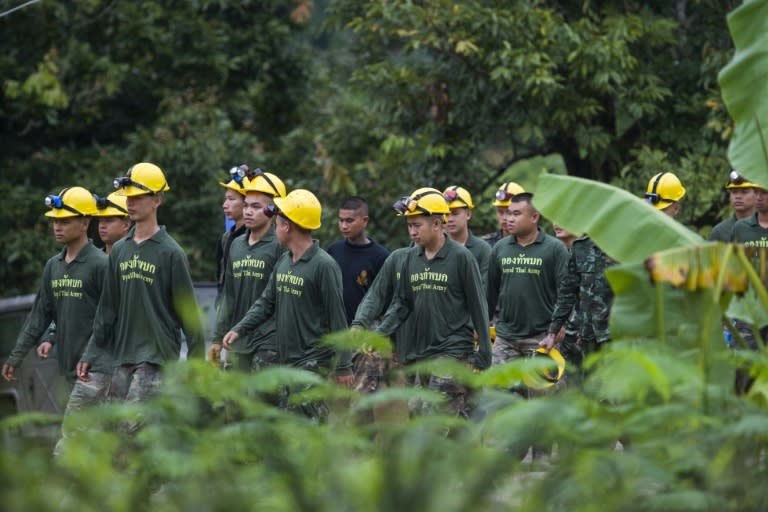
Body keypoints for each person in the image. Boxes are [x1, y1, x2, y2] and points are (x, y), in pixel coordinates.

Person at [79, 163, 204, 414]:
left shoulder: (171, 253)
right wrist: (89, 354)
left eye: (138, 197)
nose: (131, 203)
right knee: (123, 439)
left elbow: (189, 315)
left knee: (131, 428)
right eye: (128, 198)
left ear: (157, 200)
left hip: (156, 358)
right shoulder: (120, 250)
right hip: (123, 357)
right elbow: (107, 310)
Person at [222, 189, 353, 418]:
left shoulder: (323, 265)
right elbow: (266, 302)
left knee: (307, 431)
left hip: (313, 363)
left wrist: (343, 366)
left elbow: (337, 318)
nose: (275, 227)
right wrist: (239, 328)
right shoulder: (284, 260)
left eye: (278, 222)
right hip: (286, 361)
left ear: (286, 226)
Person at [374, 188, 492, 417]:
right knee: (422, 416)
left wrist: (484, 352)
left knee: (433, 420)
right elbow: (402, 304)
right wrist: (380, 334)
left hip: (453, 350)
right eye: (409, 226)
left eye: (417, 225)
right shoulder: (411, 258)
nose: (412, 232)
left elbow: (478, 305)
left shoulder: (461, 257)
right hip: (423, 352)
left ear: (437, 224)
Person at [2, 187, 106, 390]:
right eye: (55, 221)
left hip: (98, 370)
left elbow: (110, 318)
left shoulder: (101, 264)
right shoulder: (53, 266)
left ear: (85, 223)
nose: (57, 227)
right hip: (68, 370)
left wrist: (90, 356)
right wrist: (16, 356)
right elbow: (39, 316)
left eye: (65, 221)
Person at [487, 193, 569, 393]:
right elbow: (490, 291)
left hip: (542, 339)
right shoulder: (499, 248)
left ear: (534, 217)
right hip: (505, 336)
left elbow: (566, 293)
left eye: (516, 214)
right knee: (496, 399)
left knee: (542, 406)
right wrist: (482, 325)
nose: (509, 219)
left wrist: (558, 326)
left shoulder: (555, 249)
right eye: (507, 213)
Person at [210, 169, 286, 371]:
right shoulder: (236, 245)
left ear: (272, 210)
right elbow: (228, 296)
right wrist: (217, 338)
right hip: (237, 341)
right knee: (234, 401)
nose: (248, 211)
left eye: (256, 206)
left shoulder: (280, 246)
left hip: (269, 343)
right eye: (245, 206)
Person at [541, 235, 615, 384]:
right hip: (590, 336)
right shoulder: (581, 247)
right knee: (592, 389)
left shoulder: (628, 244)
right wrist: (553, 331)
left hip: (619, 335)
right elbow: (567, 292)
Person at [327, 196, 390, 324]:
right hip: (335, 330)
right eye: (341, 220)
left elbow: (385, 301)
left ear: (364, 220)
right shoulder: (334, 250)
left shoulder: (380, 257)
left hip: (365, 332)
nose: (344, 226)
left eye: (349, 221)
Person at [443, 186, 491, 291]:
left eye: (455, 213)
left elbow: (484, 290)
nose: (450, 219)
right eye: (446, 214)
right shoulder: (434, 248)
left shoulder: (483, 249)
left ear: (468, 214)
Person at [215, 164, 250, 296]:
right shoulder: (224, 239)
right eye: (225, 199)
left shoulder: (255, 238)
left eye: (231, 199)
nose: (225, 205)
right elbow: (220, 277)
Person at [710, 171, 759, 242]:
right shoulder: (720, 231)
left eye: (744, 192)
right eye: (734, 192)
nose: (738, 196)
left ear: (757, 195)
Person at [482, 182, 525, 247]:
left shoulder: (538, 245)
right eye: (500, 212)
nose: (504, 218)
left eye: (509, 212)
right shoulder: (485, 245)